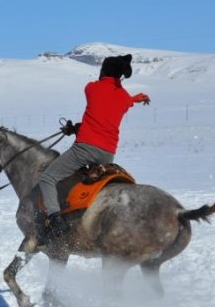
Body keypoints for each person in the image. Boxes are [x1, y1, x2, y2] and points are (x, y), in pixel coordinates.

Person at [36, 54, 150, 244]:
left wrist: (76, 130)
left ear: (103, 70)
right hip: (107, 155)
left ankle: (55, 221)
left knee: (47, 178)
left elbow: (99, 106)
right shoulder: (123, 98)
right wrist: (136, 98)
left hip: (84, 149)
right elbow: (107, 112)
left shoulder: (91, 88)